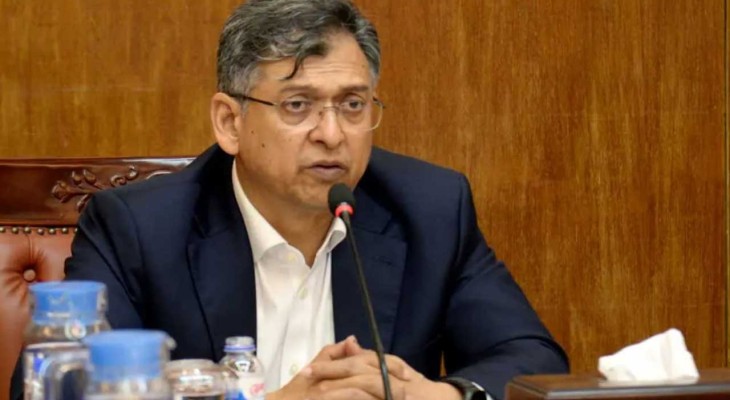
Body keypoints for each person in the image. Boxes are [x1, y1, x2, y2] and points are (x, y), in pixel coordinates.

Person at [11, 1, 568, 399]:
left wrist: (437, 396)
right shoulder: (139, 227)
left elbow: (533, 360)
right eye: (298, 105)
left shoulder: (430, 209)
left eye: (353, 104)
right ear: (230, 122)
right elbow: (59, 388)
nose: (332, 133)